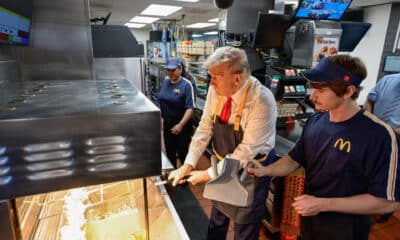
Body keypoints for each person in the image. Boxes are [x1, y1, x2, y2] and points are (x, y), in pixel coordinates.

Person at [247, 55, 400, 240]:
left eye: (321, 89)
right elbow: (294, 159)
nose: (312, 96)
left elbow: (388, 203)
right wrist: (265, 170)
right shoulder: (316, 121)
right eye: (313, 88)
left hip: (345, 229)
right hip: (310, 220)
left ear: (348, 91)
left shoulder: (379, 136)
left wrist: (322, 204)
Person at [168, 46, 277, 240]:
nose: (211, 82)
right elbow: (205, 127)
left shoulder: (262, 100)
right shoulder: (215, 89)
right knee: (218, 218)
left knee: (244, 225)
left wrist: (207, 175)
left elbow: (244, 153)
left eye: (216, 76)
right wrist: (188, 164)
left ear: (237, 78)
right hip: (221, 163)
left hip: (251, 170)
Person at [159, 58, 195, 168]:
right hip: (168, 124)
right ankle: (172, 176)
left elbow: (190, 108)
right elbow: (162, 100)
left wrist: (180, 125)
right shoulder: (165, 81)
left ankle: (184, 179)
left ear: (180, 69)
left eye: (173, 70)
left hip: (182, 125)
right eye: (168, 70)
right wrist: (162, 119)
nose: (170, 73)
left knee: (183, 153)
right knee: (170, 152)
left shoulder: (186, 85)